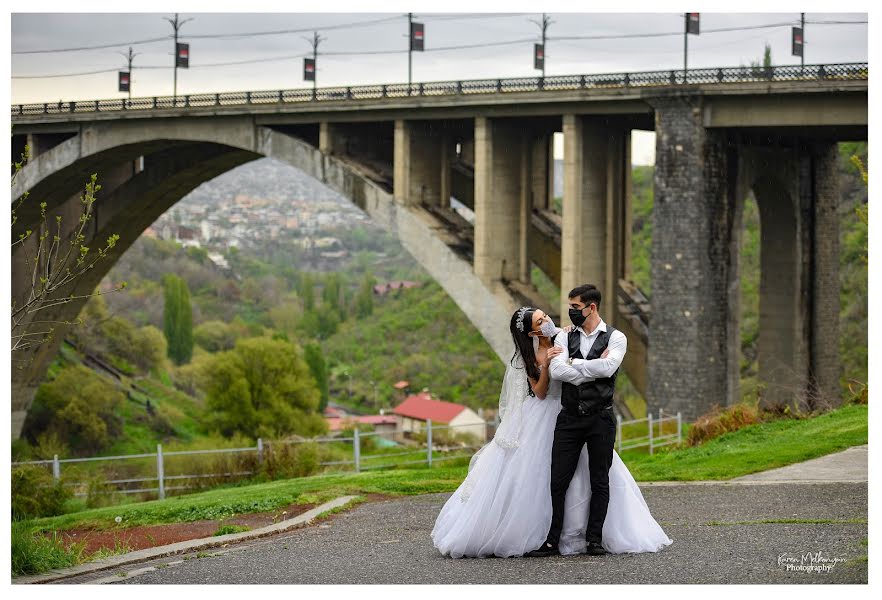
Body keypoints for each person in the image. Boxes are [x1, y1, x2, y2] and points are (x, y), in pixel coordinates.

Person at [431, 303, 671, 558]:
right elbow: (541, 392)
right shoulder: (529, 356)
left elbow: (586, 358)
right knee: (545, 476)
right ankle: (547, 533)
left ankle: (590, 534)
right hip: (545, 413)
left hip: (574, 411)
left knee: (594, 472)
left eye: (543, 315)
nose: (546, 320)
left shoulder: (565, 335)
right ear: (532, 334)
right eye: (538, 322)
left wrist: (580, 358)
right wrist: (546, 364)